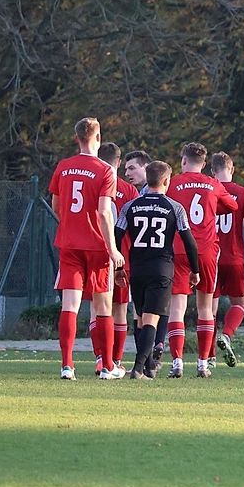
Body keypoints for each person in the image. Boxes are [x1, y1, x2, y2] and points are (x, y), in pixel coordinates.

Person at [48, 117, 124, 380]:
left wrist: (71, 223)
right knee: (103, 306)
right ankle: (107, 367)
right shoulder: (105, 170)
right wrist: (113, 248)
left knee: (70, 304)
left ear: (76, 138)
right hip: (97, 245)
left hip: (69, 243)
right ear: (99, 137)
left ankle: (67, 366)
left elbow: (57, 206)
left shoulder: (64, 166)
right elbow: (104, 212)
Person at [114, 161, 200, 379]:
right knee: (152, 319)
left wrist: (119, 266)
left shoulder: (130, 206)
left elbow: (117, 236)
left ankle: (149, 367)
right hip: (161, 268)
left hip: (138, 268)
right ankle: (137, 368)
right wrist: (195, 269)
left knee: (141, 318)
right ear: (166, 181)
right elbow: (189, 242)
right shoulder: (174, 207)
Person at [165, 142, 238, 378]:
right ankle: (203, 364)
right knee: (205, 307)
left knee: (177, 307)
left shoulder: (173, 182)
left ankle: (177, 362)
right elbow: (232, 205)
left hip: (178, 248)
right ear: (205, 164)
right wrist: (211, 207)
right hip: (205, 249)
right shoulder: (212, 183)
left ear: (183, 160)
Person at [93, 141, 139, 377]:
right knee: (120, 310)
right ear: (119, 163)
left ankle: (101, 358)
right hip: (122, 257)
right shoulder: (128, 190)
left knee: (97, 309)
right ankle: (117, 360)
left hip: (94, 252)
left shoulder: (93, 181)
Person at [210, 152, 244, 367]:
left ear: (212, 172)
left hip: (210, 258)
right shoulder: (243, 193)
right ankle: (227, 335)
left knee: (207, 309)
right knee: (240, 303)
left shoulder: (207, 190)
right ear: (232, 169)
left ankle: (208, 356)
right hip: (234, 258)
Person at [124, 149, 167, 373]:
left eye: (132, 168)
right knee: (148, 310)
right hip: (156, 263)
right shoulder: (134, 196)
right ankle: (149, 359)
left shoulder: (139, 199)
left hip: (143, 262)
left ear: (146, 167)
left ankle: (146, 360)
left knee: (144, 312)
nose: (128, 173)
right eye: (125, 169)